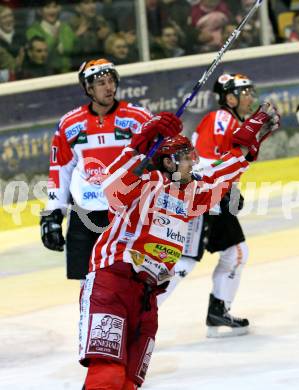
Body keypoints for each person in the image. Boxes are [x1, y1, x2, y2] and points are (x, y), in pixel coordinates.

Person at [79, 103, 280, 389]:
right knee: (107, 373)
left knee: (128, 382)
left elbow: (218, 178)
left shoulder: (190, 194)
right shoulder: (146, 180)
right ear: (169, 161)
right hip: (113, 281)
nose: (193, 162)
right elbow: (112, 191)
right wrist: (137, 148)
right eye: (187, 157)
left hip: (147, 296)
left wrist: (245, 148)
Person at [159, 73, 274, 337]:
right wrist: (226, 191)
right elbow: (208, 163)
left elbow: (227, 160)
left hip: (212, 196)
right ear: (230, 98)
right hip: (201, 198)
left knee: (236, 251)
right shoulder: (223, 119)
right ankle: (140, 314)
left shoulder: (229, 120)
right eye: (245, 93)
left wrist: (229, 189)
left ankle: (218, 310)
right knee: (183, 262)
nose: (250, 98)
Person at [40, 58, 153, 281]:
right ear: (88, 88)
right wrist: (52, 215)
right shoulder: (69, 124)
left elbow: (158, 159)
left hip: (126, 211)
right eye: (101, 82)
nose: (109, 87)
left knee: (128, 280)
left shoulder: (138, 118)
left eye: (111, 80)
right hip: (85, 211)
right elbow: (59, 171)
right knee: (87, 282)